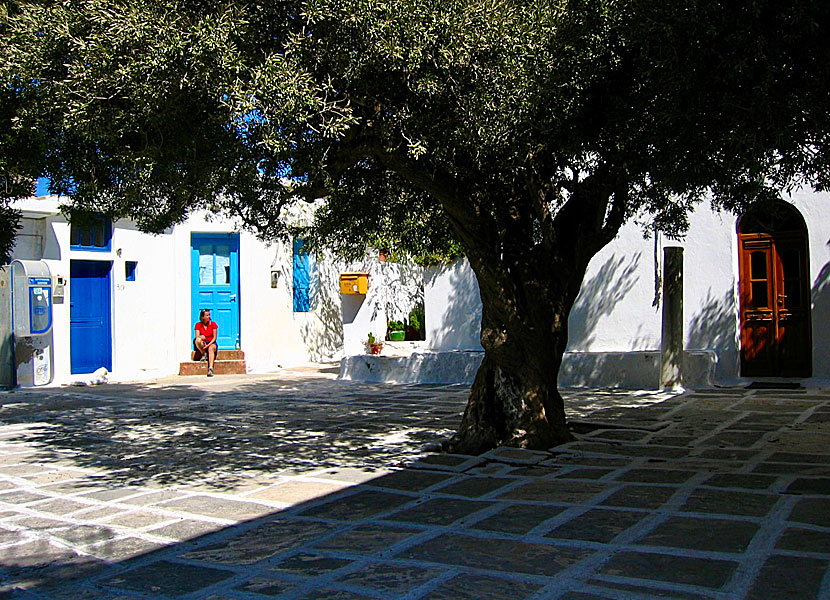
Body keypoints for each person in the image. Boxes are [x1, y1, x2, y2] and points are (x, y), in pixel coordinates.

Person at [194, 309, 218, 377]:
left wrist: (208, 345)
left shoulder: (213, 324)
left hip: (211, 343)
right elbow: (197, 336)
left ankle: (210, 368)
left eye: (209, 315)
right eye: (207, 315)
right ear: (202, 317)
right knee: (197, 340)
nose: (209, 317)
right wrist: (201, 337)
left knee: (211, 348)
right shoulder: (198, 325)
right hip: (204, 343)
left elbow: (214, 338)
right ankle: (203, 353)